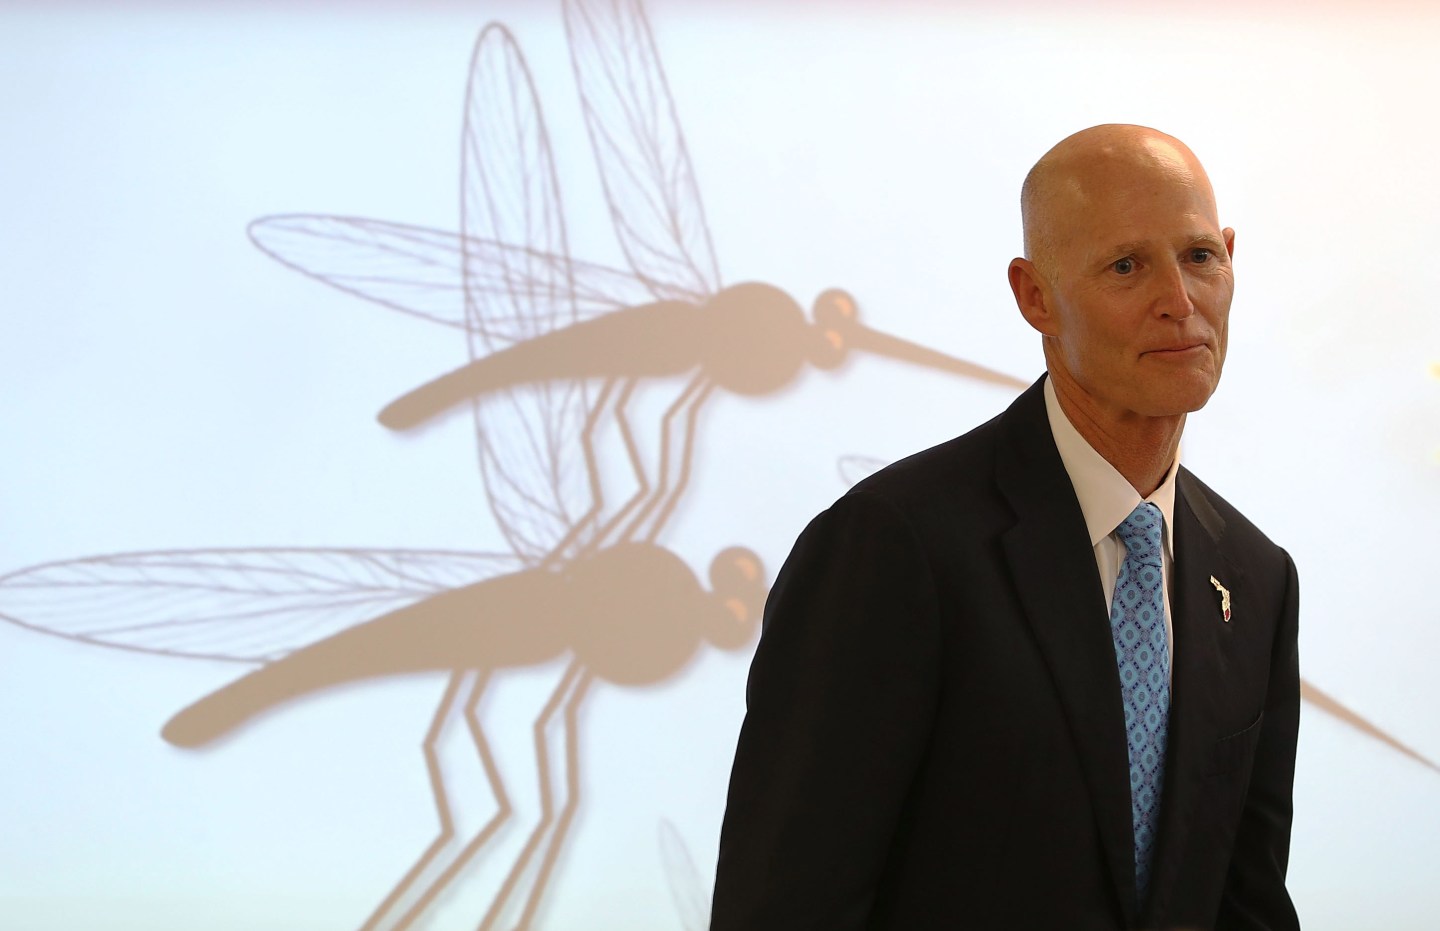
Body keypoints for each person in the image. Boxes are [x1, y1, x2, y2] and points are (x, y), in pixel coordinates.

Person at [710, 125, 1300, 930]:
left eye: (1200, 256)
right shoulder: (892, 546)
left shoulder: (1257, 577)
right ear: (1034, 297)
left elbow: (1249, 905)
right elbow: (782, 907)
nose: (1179, 299)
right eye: (1127, 265)